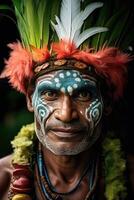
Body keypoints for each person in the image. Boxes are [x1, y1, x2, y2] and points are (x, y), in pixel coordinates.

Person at [0, 0, 134, 199]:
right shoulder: (3, 180)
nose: (66, 114)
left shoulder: (129, 178)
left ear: (107, 102)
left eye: (84, 94)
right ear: (30, 98)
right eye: (50, 94)